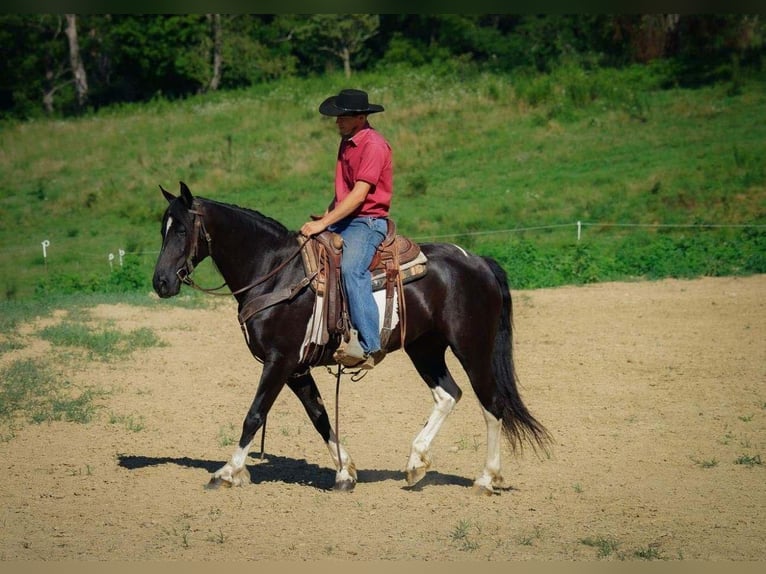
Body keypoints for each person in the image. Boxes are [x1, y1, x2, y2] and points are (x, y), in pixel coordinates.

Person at [300, 89, 393, 370]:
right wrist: (328, 214)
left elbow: (359, 195)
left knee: (352, 270)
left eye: (342, 116)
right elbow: (344, 193)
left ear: (360, 118)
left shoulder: (374, 145)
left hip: (367, 222)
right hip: (347, 218)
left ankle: (370, 345)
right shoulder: (348, 141)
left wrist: (323, 223)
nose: (337, 121)